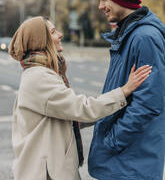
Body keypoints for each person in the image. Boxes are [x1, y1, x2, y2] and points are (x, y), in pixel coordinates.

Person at [8, 16, 151, 180]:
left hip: (47, 169)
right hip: (47, 173)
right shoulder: (39, 77)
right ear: (41, 40)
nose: (60, 34)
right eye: (53, 32)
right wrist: (124, 91)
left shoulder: (41, 72)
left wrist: (114, 108)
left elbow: (71, 117)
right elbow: (81, 109)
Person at [88, 0, 165, 180]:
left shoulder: (144, 37)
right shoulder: (128, 35)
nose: (100, 6)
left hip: (132, 163)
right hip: (124, 162)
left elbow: (149, 103)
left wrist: (112, 140)